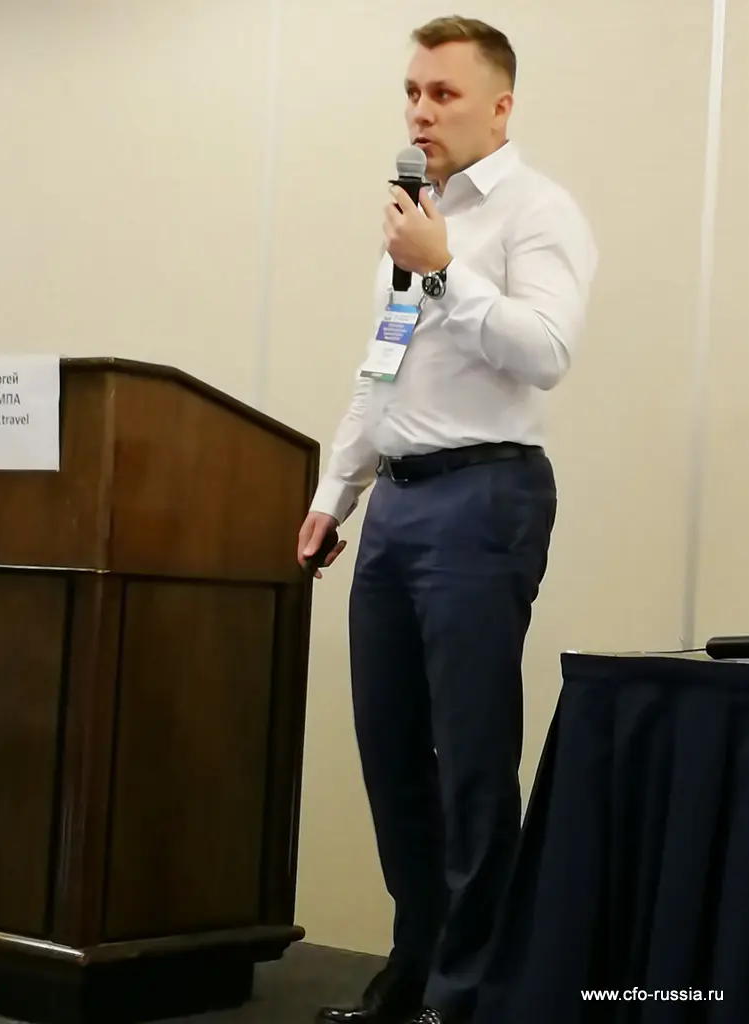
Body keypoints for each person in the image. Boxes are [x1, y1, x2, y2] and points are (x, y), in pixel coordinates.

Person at [297, 15, 597, 1024]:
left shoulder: (536, 212)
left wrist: (440, 267)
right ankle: (414, 970)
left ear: (499, 106)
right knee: (390, 752)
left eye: (444, 94)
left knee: (469, 759)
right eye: (412, 92)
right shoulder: (411, 217)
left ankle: (469, 997)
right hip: (397, 504)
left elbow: (545, 350)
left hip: (484, 497)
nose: (420, 112)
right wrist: (333, 495)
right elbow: (380, 369)